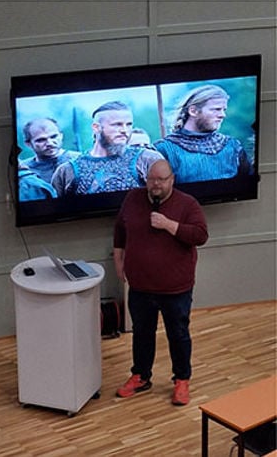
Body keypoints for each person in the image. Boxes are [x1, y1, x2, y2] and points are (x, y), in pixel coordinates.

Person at [113, 160, 208, 406]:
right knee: (142, 334)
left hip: (175, 287)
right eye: (151, 179)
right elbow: (120, 231)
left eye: (161, 179)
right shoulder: (133, 199)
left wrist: (168, 225)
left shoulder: (188, 204)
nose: (155, 184)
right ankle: (141, 376)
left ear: (172, 180)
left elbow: (200, 235)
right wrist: (118, 260)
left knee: (178, 334)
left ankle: (182, 380)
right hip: (140, 285)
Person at [52, 102, 165, 196]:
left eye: (129, 124)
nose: (124, 130)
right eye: (117, 125)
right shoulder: (67, 171)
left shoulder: (149, 159)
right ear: (96, 128)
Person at [153, 85, 252, 183]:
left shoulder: (232, 146)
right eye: (216, 109)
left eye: (223, 110)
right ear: (193, 111)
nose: (222, 115)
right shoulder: (164, 149)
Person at [17, 117, 79, 201]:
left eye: (53, 137)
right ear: (28, 144)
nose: (49, 143)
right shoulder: (24, 170)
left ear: (61, 135)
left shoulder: (79, 160)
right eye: (41, 140)